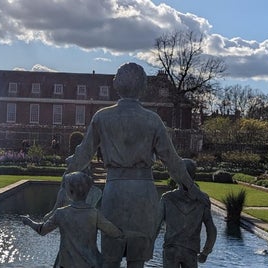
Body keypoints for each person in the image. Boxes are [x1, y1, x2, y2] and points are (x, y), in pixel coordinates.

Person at [65, 62, 207, 268]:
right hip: (143, 194)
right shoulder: (152, 120)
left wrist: (66, 177)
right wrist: (192, 188)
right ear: (143, 87)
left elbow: (82, 155)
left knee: (110, 259)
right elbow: (172, 161)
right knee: (136, 260)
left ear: (117, 85)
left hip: (115, 191)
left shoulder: (102, 117)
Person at [23, 172, 122, 268]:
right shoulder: (94, 214)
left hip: (67, 264)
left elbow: (42, 230)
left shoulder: (61, 213)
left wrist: (28, 222)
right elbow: (115, 233)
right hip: (90, 263)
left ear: (70, 191)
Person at [156, 159, 217, 268]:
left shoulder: (167, 198)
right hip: (191, 250)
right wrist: (205, 252)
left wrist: (147, 246)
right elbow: (212, 230)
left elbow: (155, 226)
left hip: (171, 250)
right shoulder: (203, 200)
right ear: (194, 176)